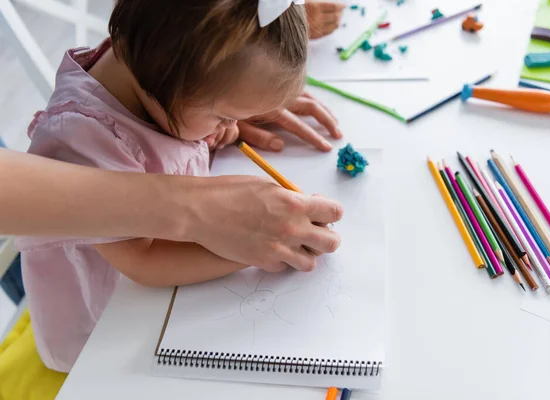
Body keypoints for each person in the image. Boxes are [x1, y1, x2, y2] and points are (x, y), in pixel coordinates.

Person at [14, 0, 343, 377]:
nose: (230, 126)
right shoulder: (78, 141)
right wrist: (260, 246)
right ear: (166, 77)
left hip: (164, 307)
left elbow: (174, 136)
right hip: (101, 340)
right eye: (225, 115)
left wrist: (216, 129)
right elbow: (144, 261)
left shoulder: (153, 70)